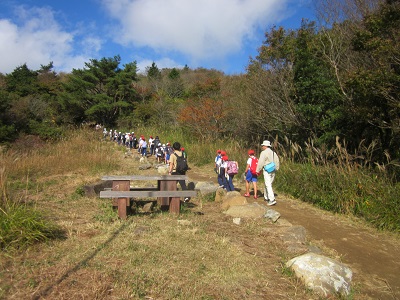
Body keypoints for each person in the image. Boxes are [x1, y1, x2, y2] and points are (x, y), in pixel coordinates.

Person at [256, 140, 278, 206]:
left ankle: (272, 199)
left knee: (268, 184)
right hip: (273, 169)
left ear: (265, 146)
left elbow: (261, 162)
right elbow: (277, 161)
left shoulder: (264, 153)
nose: (262, 147)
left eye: (263, 145)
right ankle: (266, 197)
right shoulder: (274, 153)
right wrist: (276, 168)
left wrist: (257, 170)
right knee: (269, 184)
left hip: (267, 170)